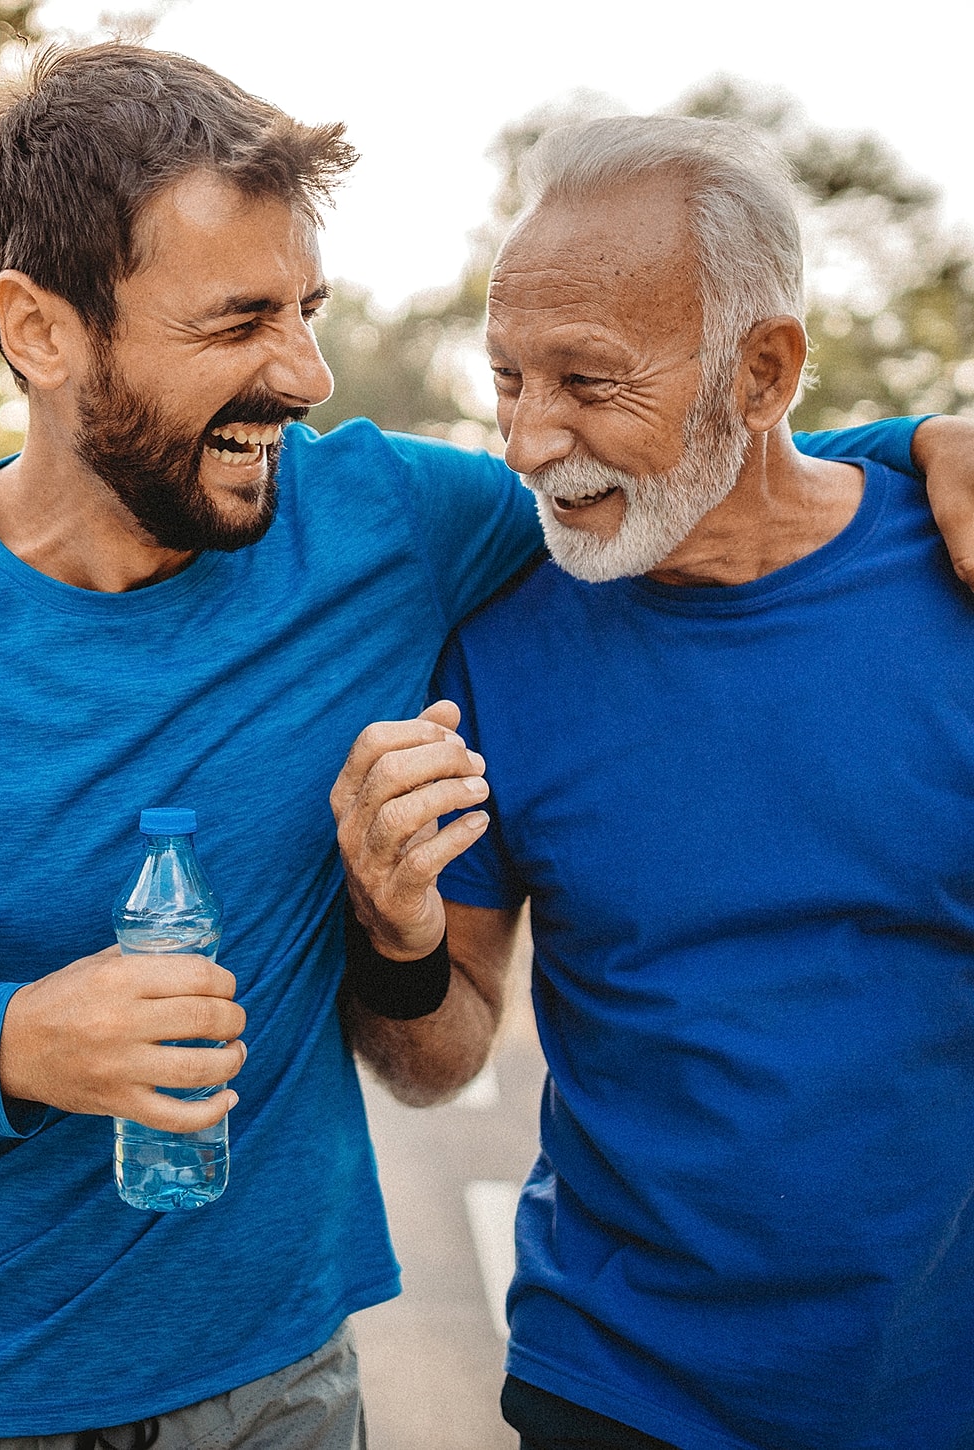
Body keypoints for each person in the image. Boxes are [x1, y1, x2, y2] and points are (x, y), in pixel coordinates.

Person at [0, 44, 965, 1450]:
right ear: (40, 329)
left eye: (308, 309)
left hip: (280, 1384)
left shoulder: (386, 524)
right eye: (239, 322)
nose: (306, 371)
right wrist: (10, 1040)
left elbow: (682, 467)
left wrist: (917, 446)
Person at [331, 116, 974, 1450]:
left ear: (763, 372)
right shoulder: (495, 651)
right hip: (616, 1390)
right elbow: (438, 1060)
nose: (528, 439)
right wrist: (394, 936)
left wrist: (928, 436)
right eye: (509, 377)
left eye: (587, 379)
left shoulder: (954, 581)